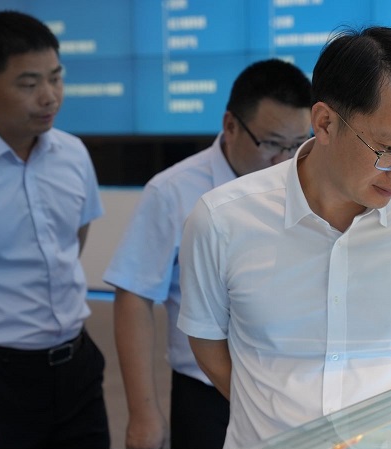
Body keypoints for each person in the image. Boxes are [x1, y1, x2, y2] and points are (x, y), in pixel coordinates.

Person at [177, 26, 391, 449]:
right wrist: (274, 419)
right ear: (324, 122)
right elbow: (207, 343)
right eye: (390, 149)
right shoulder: (223, 219)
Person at [103, 59, 313, 449]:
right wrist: (143, 413)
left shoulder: (309, 183)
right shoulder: (173, 191)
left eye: (298, 144)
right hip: (207, 395)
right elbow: (134, 296)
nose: (284, 161)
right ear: (230, 125)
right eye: (271, 144)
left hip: (294, 392)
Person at [0, 10, 108, 449]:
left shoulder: (73, 154)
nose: (49, 97)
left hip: (76, 366)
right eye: (28, 84)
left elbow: (71, 242)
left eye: (56, 78)